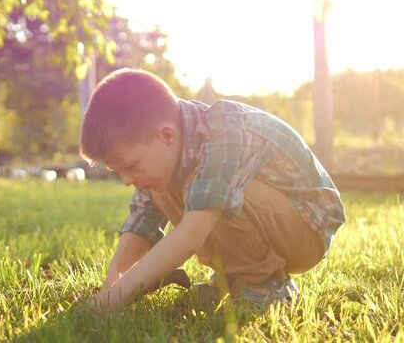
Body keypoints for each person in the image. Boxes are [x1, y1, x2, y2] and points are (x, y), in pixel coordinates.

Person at [80, 68, 346, 313]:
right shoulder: (165, 159)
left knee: (208, 189)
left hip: (307, 230)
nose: (127, 180)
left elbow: (191, 234)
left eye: (131, 166)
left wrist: (114, 301)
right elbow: (143, 219)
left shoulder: (225, 132)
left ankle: (266, 287)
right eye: (120, 172)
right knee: (161, 186)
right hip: (273, 223)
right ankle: (231, 282)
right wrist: (114, 280)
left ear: (166, 135)